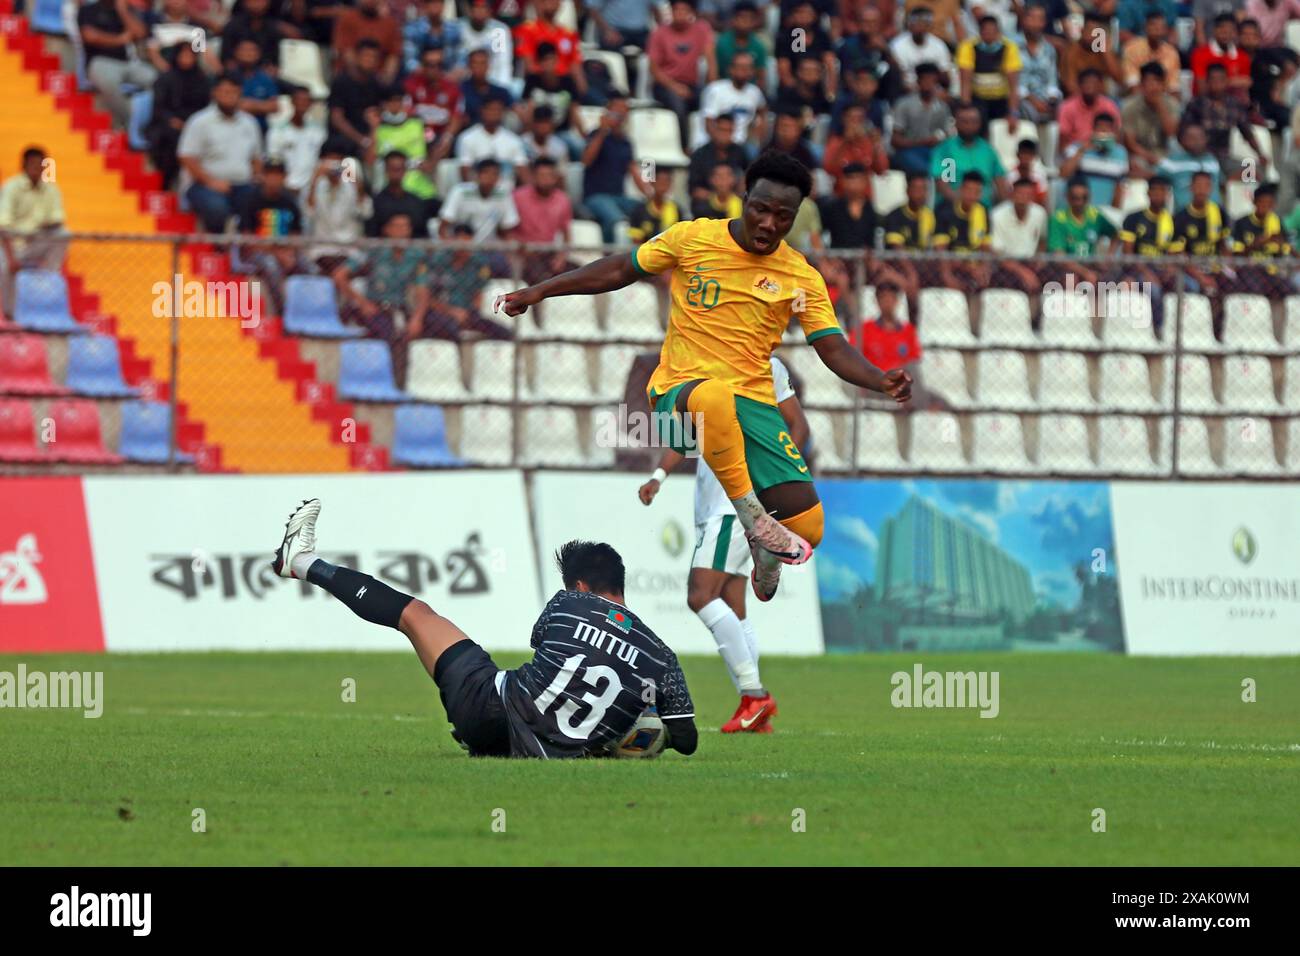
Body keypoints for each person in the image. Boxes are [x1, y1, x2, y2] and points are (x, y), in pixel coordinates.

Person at [495, 151, 913, 601]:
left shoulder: (800, 277)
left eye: (783, 216)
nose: (769, 223)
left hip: (753, 404)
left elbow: (831, 346)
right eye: (761, 209)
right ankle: (755, 522)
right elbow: (620, 268)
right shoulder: (693, 238)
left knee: (809, 527)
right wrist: (540, 291)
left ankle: (765, 550)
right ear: (744, 198)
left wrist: (878, 378)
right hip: (678, 392)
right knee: (714, 397)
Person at [272, 503, 698, 759]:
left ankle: (303, 562)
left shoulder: (569, 604)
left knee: (415, 615)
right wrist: (630, 735)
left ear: (582, 585)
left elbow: (544, 648)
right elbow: (686, 739)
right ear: (619, 584)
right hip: (553, 751)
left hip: (489, 713)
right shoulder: (662, 657)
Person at [637, 357, 806, 734]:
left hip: (732, 507)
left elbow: (799, 426)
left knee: (700, 595)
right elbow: (687, 437)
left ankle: (754, 696)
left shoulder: (767, 366)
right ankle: (756, 710)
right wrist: (659, 475)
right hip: (717, 506)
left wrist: (771, 472)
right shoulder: (701, 363)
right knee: (734, 606)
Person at [177, 74, 264, 233]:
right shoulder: (200, 121)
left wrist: (256, 178)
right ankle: (218, 250)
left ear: (240, 94)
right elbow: (187, 157)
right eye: (224, 92)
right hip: (204, 185)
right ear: (215, 93)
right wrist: (211, 182)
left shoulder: (249, 123)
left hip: (243, 184)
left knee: (265, 200)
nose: (229, 96)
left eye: (233, 92)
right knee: (216, 208)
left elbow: (256, 157)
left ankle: (251, 252)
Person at [0, 147, 66, 314]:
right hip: (10, 244)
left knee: (63, 234)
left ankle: (50, 277)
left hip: (37, 242)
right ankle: (8, 313)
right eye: (33, 165)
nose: (37, 169)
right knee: (4, 266)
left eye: (40, 165)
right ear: (24, 165)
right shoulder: (11, 187)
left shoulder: (51, 189)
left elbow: (56, 221)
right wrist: (11, 258)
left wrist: (44, 230)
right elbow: (3, 226)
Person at [582, 96, 653, 242]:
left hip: (619, 196)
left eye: (624, 110)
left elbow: (634, 170)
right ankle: (608, 256)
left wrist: (650, 193)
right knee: (615, 220)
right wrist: (603, 130)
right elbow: (586, 161)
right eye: (617, 109)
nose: (621, 114)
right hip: (596, 196)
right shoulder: (595, 135)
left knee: (646, 211)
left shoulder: (626, 143)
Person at [78, 0, 158, 126]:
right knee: (109, 81)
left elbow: (140, 33)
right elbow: (90, 36)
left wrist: (123, 10)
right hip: (99, 61)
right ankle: (131, 118)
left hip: (127, 63)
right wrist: (120, 40)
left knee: (156, 79)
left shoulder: (128, 10)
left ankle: (146, 121)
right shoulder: (89, 10)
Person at [649, 0, 718, 144]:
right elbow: (654, 69)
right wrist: (675, 87)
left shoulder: (702, 29)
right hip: (665, 85)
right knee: (678, 105)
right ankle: (684, 146)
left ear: (691, 12)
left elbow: (710, 59)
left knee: (711, 103)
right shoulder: (659, 33)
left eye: (684, 10)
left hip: (692, 84)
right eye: (676, 10)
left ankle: (710, 146)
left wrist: (714, 89)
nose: (680, 14)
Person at [146, 43, 212, 190]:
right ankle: (166, 181)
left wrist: (190, 124)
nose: (186, 59)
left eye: (190, 55)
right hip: (169, 123)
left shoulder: (202, 80)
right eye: (183, 55)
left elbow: (205, 107)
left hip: (195, 123)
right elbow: (159, 107)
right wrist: (173, 121)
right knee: (171, 137)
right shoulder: (165, 78)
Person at [929, 101, 1007, 208]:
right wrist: (966, 206)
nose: (969, 126)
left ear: (980, 123)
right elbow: (944, 187)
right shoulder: (946, 150)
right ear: (956, 123)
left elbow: (1000, 183)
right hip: (953, 209)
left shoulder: (988, 151)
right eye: (964, 121)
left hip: (984, 209)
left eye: (974, 121)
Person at [955, 14, 1022, 130]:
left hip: (1001, 100)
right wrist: (966, 110)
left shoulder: (1009, 47)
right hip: (977, 99)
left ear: (998, 32)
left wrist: (1013, 113)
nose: (990, 35)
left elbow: (1013, 86)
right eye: (986, 31)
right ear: (980, 32)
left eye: (993, 31)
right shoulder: (968, 47)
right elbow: (965, 83)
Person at [890, 61, 952, 175]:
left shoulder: (943, 107)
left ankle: (947, 190)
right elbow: (895, 140)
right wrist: (922, 142)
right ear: (918, 82)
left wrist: (939, 139)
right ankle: (929, 183)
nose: (928, 84)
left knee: (950, 162)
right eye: (925, 80)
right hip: (909, 151)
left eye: (932, 80)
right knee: (923, 168)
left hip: (935, 151)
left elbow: (948, 135)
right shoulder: (904, 104)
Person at [934, 172, 992, 293]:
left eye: (976, 192)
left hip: (975, 266)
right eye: (969, 190)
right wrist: (947, 276)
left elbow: (986, 247)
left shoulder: (983, 212)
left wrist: (984, 268)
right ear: (961, 190)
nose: (972, 195)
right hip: (953, 265)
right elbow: (941, 250)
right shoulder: (945, 212)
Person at [699, 50, 768, 152]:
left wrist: (758, 131)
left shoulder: (755, 93)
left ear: (752, 71)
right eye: (740, 67)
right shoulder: (716, 90)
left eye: (747, 68)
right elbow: (709, 123)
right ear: (731, 69)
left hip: (743, 145)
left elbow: (763, 112)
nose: (744, 71)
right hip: (718, 143)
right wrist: (721, 144)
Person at [1059, 112, 1131, 209]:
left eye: (1107, 129)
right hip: (1079, 210)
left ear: (1114, 132)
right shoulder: (1077, 148)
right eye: (1100, 128)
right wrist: (1082, 151)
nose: (1103, 131)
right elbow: (1063, 174)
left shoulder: (1121, 153)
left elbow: (1119, 187)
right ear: (1093, 130)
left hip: (1104, 211)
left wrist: (1115, 212)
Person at [455, 93, 529, 186]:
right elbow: (465, 171)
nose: (493, 113)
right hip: (478, 193)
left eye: (497, 110)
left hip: (506, 195)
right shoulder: (467, 138)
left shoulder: (514, 140)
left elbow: (523, 171)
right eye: (490, 109)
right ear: (482, 110)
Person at [990, 177, 1047, 297]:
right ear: (1012, 195)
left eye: (1028, 195)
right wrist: (1023, 272)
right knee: (1014, 281)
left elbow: (1042, 240)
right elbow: (997, 254)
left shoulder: (1040, 213)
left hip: (1031, 262)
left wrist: (1039, 259)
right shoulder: (997, 215)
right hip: (1006, 265)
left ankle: (1040, 314)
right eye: (1020, 194)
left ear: (1033, 196)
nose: (1023, 198)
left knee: (1052, 279)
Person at [1121, 62, 1179, 177]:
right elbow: (1130, 143)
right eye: (1149, 82)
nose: (1153, 86)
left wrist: (1160, 106)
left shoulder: (1172, 104)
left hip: (1166, 154)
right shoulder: (1130, 106)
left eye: (1157, 81)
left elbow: (1171, 133)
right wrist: (1150, 157)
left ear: (1163, 85)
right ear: (1142, 85)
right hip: (1140, 155)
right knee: (1135, 166)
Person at [1157, 122, 1224, 210]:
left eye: (1200, 137)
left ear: (1206, 139)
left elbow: (1222, 183)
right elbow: (1154, 178)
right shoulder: (1172, 161)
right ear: (1183, 140)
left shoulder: (1212, 160)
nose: (1197, 141)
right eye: (1192, 138)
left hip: (1215, 212)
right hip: (1185, 214)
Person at [1014, 3, 1061, 123]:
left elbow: (1052, 83)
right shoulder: (1012, 46)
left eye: (1040, 19)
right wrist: (1032, 100)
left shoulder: (1049, 49)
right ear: (1024, 20)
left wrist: (1051, 101)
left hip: (1044, 100)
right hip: (1020, 99)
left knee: (1063, 110)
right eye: (1032, 18)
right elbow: (1013, 84)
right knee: (1029, 112)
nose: (1036, 23)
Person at [334, 0, 402, 82]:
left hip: (379, 78)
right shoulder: (347, 19)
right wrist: (359, 78)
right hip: (350, 76)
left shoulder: (390, 24)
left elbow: (394, 55)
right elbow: (346, 51)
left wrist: (386, 78)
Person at [1057, 69, 1122, 154]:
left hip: (1104, 148)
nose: (1090, 86)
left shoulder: (1109, 105)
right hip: (1076, 149)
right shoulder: (1067, 107)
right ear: (1080, 85)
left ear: (1101, 85)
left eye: (1094, 83)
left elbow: (1117, 132)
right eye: (1086, 82)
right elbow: (1063, 139)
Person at [890, 6, 952, 92]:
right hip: (907, 89)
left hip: (934, 90)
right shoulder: (897, 45)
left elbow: (945, 76)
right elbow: (900, 77)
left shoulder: (939, 45)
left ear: (929, 26)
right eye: (916, 23)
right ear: (909, 24)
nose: (919, 27)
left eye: (923, 23)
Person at [689, 113, 747, 203]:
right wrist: (717, 197)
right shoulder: (699, 154)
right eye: (722, 130)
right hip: (706, 203)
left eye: (729, 131)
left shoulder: (740, 152)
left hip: (734, 202)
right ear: (714, 129)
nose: (725, 134)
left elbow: (747, 179)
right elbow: (694, 189)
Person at [1121, 11, 1182, 96]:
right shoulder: (1132, 49)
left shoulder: (1172, 53)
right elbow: (1133, 84)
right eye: (1153, 25)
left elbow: (1173, 87)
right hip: (1137, 98)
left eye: (1161, 27)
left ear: (1165, 30)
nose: (1157, 29)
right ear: (1145, 27)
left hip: (1163, 99)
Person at [818, 162, 877, 248]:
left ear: (865, 181)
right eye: (850, 179)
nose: (854, 184)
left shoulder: (871, 209)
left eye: (858, 179)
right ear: (843, 181)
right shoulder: (832, 208)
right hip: (837, 257)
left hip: (864, 258)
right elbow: (820, 234)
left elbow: (872, 240)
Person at [458, 0, 514, 87]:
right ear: (469, 10)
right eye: (476, 7)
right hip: (463, 84)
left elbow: (503, 65)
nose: (480, 11)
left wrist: (501, 91)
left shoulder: (498, 31)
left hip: (492, 85)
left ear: (489, 11)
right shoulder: (457, 28)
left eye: (483, 7)